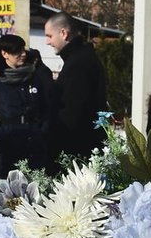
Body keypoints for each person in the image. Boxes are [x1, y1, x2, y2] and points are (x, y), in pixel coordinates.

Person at [0, 33, 54, 176]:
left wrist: (42, 130)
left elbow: (47, 106)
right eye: (17, 51)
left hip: (34, 141)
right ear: (5, 54)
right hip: (9, 143)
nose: (22, 54)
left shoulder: (34, 77)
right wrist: (0, 134)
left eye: (23, 50)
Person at [43, 12, 107, 163]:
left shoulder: (78, 63)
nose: (47, 42)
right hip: (82, 146)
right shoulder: (80, 57)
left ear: (64, 33)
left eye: (49, 36)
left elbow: (73, 112)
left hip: (77, 151)